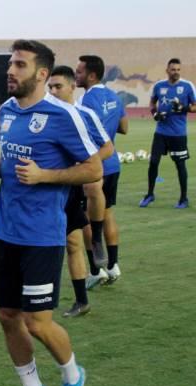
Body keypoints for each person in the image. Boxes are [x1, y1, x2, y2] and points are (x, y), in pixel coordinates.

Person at [0, 40, 101, 386]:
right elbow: (11, 156)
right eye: (11, 64)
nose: (10, 71)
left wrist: (46, 175)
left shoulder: (63, 115)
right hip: (5, 231)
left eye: (19, 65)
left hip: (43, 236)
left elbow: (93, 168)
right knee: (7, 315)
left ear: (42, 73)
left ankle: (72, 377)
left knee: (38, 322)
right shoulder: (8, 110)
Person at [48, 65, 114, 317]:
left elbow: (107, 147)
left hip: (72, 185)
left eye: (58, 86)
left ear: (72, 87)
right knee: (57, 243)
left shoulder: (85, 114)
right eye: (50, 87)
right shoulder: (45, 114)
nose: (53, 91)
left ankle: (81, 298)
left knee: (72, 243)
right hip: (49, 186)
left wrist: (84, 165)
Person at [76, 55, 128, 287]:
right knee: (107, 213)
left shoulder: (84, 100)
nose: (76, 75)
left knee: (88, 220)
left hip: (93, 167)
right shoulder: (114, 96)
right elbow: (124, 127)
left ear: (91, 75)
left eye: (79, 72)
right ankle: (113, 265)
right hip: (113, 164)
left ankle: (96, 270)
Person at [140, 58, 196, 209]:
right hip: (161, 132)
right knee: (153, 162)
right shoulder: (159, 86)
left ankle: (183, 199)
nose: (176, 72)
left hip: (178, 134)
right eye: (173, 70)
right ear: (167, 70)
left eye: (178, 70)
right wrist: (155, 114)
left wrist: (184, 108)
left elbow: (195, 106)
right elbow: (152, 103)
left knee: (180, 165)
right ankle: (150, 194)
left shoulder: (187, 86)